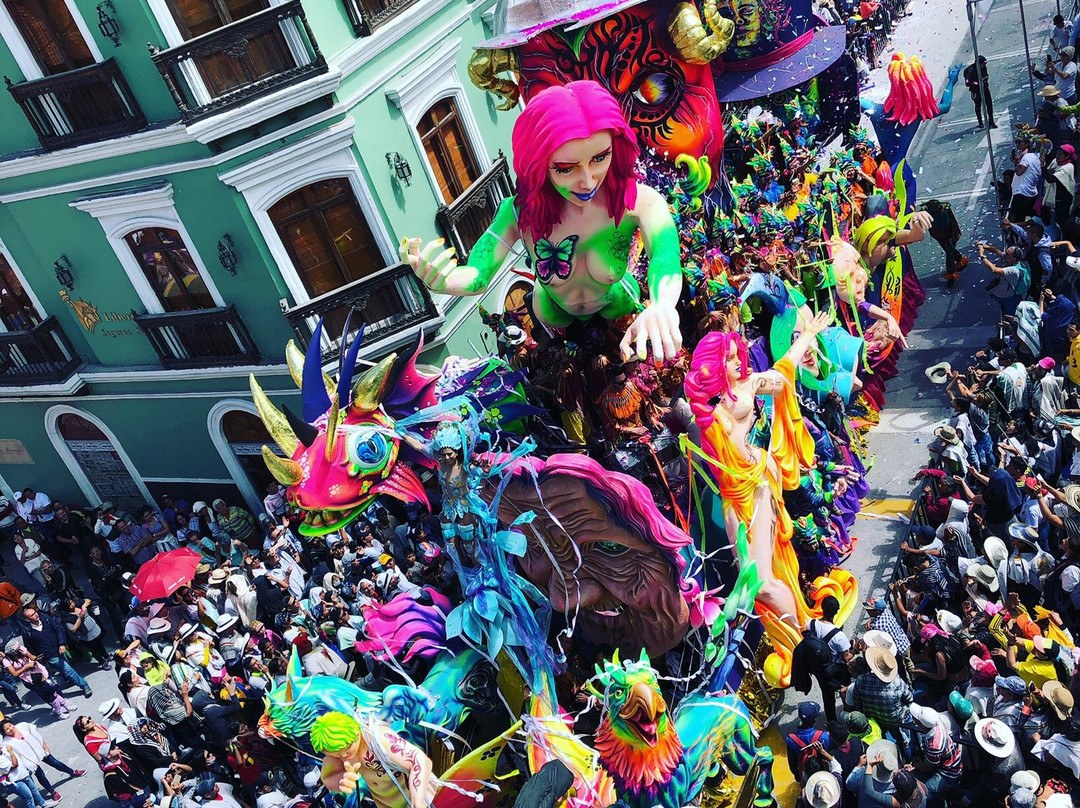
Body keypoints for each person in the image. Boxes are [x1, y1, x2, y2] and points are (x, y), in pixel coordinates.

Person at [401, 80, 684, 365]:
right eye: (565, 168)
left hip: (617, 307)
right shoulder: (517, 214)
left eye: (600, 158)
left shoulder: (638, 202)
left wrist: (662, 304)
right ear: (538, 164)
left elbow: (665, 255)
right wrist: (446, 280)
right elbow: (478, 275)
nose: (587, 181)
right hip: (553, 319)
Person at [0, 719, 84, 800]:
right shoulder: (6, 743)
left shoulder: (23, 726)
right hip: (30, 761)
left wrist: (44, 746)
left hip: (39, 750)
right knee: (41, 776)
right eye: (7, 729)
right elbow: (13, 756)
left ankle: (72, 772)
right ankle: (52, 792)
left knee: (55, 763)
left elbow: (36, 735)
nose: (10, 729)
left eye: (10, 725)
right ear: (3, 732)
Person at [19, 605, 91, 698]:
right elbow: (29, 646)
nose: (35, 615)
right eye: (31, 615)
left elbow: (58, 629)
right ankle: (84, 685)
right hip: (49, 654)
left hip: (60, 648)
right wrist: (36, 657)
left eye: (35, 613)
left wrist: (62, 643)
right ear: (27, 620)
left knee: (65, 666)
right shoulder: (27, 631)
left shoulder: (46, 619)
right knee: (67, 669)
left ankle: (67, 679)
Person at [1009, 146, 1044, 221]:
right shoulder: (1040, 159)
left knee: (1017, 219)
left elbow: (1019, 172)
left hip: (1022, 193)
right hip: (1032, 193)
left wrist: (1019, 160)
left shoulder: (1027, 157)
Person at [964, 56, 996, 128]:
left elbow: (986, 75)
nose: (984, 65)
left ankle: (991, 121)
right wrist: (975, 83)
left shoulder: (984, 68)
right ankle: (980, 122)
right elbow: (967, 82)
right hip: (976, 90)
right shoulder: (971, 70)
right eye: (983, 64)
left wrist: (985, 78)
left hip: (984, 88)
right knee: (978, 106)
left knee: (989, 104)